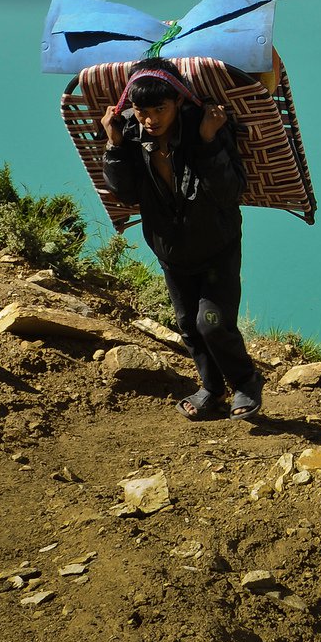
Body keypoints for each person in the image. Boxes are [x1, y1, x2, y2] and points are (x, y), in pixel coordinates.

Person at [100, 57, 262, 420]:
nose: (151, 119)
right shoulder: (128, 133)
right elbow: (125, 193)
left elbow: (230, 190)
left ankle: (247, 381)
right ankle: (211, 389)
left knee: (212, 322)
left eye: (161, 108)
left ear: (179, 102)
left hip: (217, 246)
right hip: (171, 250)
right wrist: (114, 145)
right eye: (142, 110)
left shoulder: (206, 126)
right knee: (189, 324)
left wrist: (206, 142)